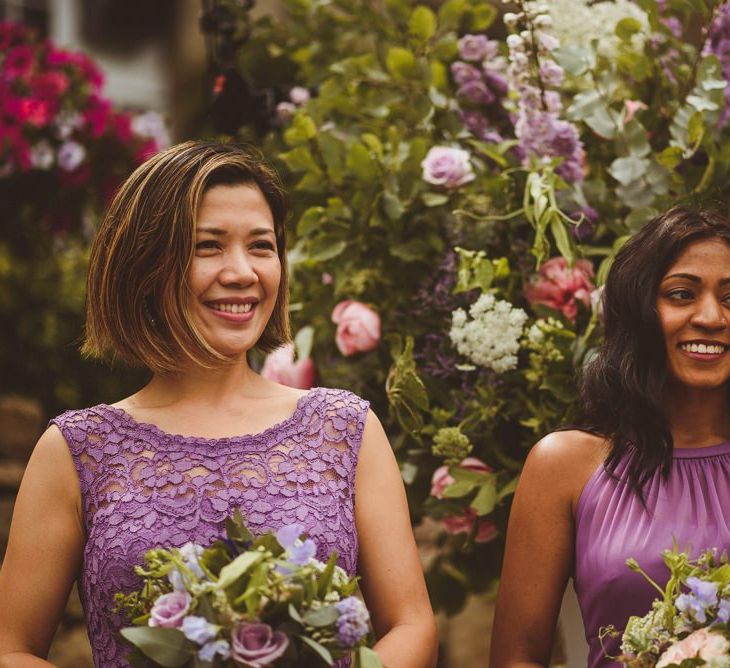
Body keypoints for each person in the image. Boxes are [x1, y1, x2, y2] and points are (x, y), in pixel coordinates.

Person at [0, 141, 438, 668]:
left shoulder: (345, 428)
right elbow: (11, 648)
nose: (242, 272)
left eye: (261, 245)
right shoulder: (78, 450)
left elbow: (412, 626)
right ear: (145, 265)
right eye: (208, 246)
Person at [490, 206, 730, 667]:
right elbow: (515, 658)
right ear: (641, 311)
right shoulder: (564, 466)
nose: (711, 316)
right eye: (681, 294)